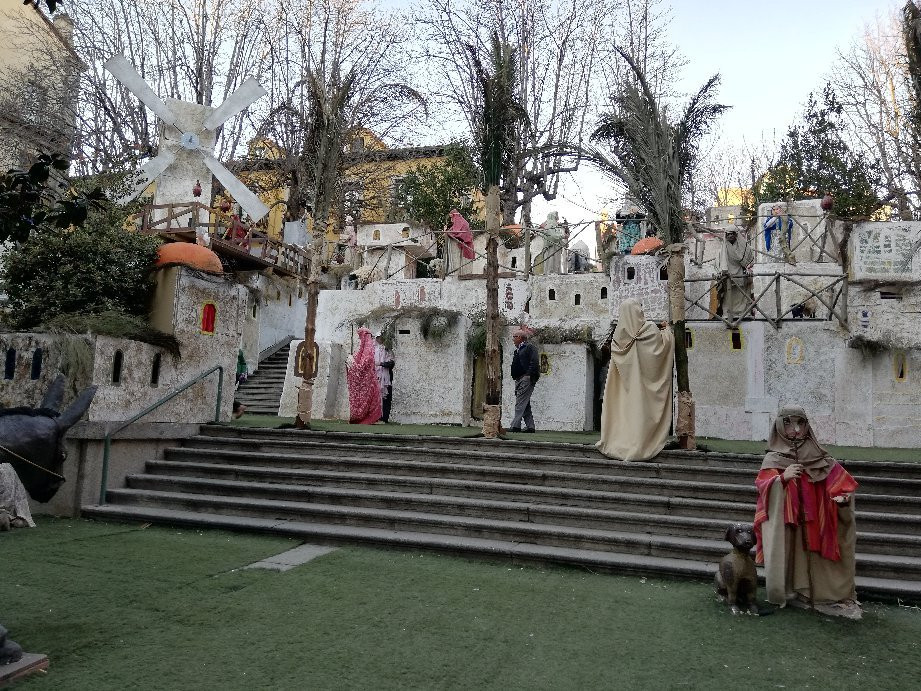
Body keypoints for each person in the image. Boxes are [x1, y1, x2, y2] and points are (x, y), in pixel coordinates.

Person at [754, 406, 861, 619]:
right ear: (779, 426)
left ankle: (822, 594)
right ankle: (794, 592)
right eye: (788, 423)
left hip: (818, 524)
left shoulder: (821, 457)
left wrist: (844, 499)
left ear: (806, 426)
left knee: (819, 556)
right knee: (792, 557)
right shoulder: (773, 459)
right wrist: (781, 479)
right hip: (789, 525)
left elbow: (842, 485)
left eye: (800, 423)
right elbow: (763, 488)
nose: (795, 429)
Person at [596, 299, 674, 461]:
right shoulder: (650, 329)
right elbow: (663, 348)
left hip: (624, 387)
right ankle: (641, 443)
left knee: (625, 413)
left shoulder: (618, 336)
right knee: (641, 414)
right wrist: (667, 331)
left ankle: (621, 443)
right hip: (644, 388)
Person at [716, 228, 755, 323]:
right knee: (728, 295)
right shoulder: (723, 248)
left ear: (736, 234)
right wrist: (720, 271)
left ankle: (744, 313)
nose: (730, 236)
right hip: (728, 275)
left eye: (732, 234)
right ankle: (728, 313)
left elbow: (749, 259)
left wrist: (748, 268)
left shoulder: (744, 246)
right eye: (728, 234)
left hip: (741, 273)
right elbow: (719, 262)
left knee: (743, 294)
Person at [346, 327, 382, 424]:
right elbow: (358, 360)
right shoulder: (366, 350)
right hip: (370, 381)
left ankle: (367, 418)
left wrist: (352, 364)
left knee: (371, 399)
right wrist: (351, 360)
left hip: (369, 381)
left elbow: (363, 366)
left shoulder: (369, 352)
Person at [508, 328, 540, 433]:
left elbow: (534, 362)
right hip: (518, 379)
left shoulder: (529, 347)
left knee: (520, 403)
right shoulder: (517, 350)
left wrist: (529, 375)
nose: (513, 339)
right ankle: (531, 427)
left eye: (514, 337)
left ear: (520, 338)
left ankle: (515, 426)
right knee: (525, 404)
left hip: (526, 379)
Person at [374, 332, 395, 423]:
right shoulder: (373, 350)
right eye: (378, 337)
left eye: (381, 337)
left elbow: (391, 363)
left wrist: (381, 364)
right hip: (376, 376)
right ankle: (376, 416)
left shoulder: (388, 350)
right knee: (376, 397)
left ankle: (384, 418)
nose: (380, 339)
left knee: (386, 397)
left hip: (386, 378)